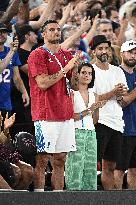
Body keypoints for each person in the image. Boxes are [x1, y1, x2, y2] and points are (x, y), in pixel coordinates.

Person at [27, 19, 81, 191]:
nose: (56, 32)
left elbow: (74, 85)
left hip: (65, 113)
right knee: (42, 159)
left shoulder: (66, 55)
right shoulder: (37, 54)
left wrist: (76, 71)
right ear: (43, 34)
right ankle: (40, 198)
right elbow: (42, 83)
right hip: (45, 114)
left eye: (58, 30)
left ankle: (58, 197)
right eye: (51, 29)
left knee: (60, 160)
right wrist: (66, 69)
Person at [91, 35, 128, 190]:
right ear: (93, 52)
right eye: (100, 49)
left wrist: (119, 95)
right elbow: (92, 99)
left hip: (117, 123)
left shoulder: (117, 71)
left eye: (107, 48)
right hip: (100, 122)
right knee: (93, 164)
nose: (104, 51)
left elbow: (122, 98)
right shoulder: (90, 70)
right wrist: (113, 92)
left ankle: (110, 199)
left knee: (111, 166)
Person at [65, 62, 106, 190]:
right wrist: (89, 110)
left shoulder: (94, 95)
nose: (87, 75)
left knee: (90, 167)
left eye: (90, 73)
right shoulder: (72, 93)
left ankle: (90, 196)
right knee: (75, 166)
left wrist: (97, 108)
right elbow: (70, 116)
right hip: (76, 132)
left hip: (91, 133)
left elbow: (94, 120)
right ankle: (73, 196)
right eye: (84, 72)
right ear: (78, 74)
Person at [114, 40, 136, 189]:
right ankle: (116, 201)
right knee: (119, 169)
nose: (133, 55)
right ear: (122, 53)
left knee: (134, 170)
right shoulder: (116, 73)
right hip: (123, 129)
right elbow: (123, 102)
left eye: (135, 52)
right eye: (130, 52)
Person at [0, 23, 29, 119]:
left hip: (6, 103)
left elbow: (16, 77)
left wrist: (24, 92)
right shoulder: (12, 51)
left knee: (4, 134)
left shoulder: (12, 51)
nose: (2, 34)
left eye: (4, 32)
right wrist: (11, 52)